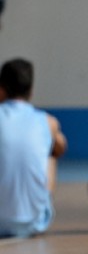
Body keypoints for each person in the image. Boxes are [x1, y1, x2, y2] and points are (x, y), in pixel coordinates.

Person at [0, 58, 68, 237]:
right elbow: (61, 148)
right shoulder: (47, 121)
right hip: (34, 223)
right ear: (31, 92)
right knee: (51, 153)